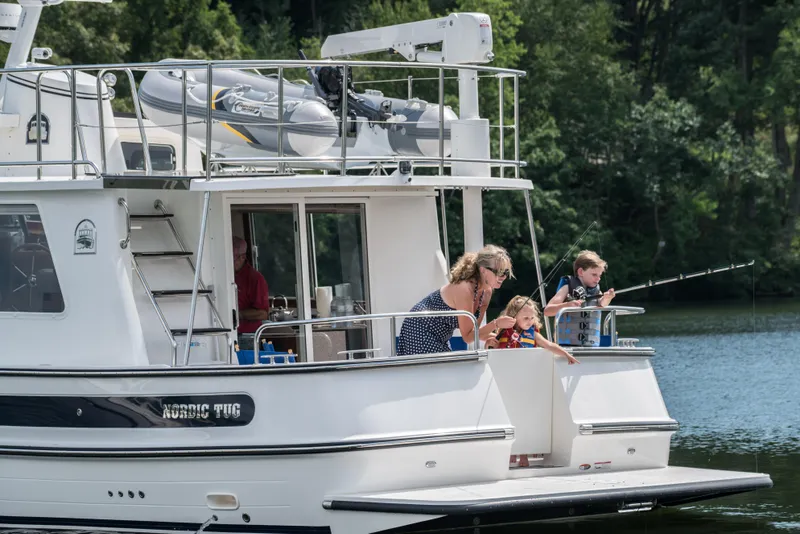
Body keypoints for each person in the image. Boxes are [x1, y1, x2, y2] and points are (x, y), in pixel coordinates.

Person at [396, 245, 517, 356]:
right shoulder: (464, 289)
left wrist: (491, 337)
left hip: (440, 335)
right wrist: (496, 324)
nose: (503, 276)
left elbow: (474, 332)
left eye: (506, 272)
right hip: (419, 327)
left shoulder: (487, 292)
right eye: (499, 271)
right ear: (483, 270)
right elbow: (468, 337)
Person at [543, 250, 615, 346]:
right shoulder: (567, 286)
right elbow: (547, 311)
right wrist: (567, 305)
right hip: (567, 347)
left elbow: (602, 304)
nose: (598, 279)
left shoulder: (597, 290)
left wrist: (608, 298)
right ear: (581, 272)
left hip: (591, 347)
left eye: (600, 275)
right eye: (594, 274)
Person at [488, 295, 579, 364]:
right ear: (513, 316)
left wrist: (566, 354)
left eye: (532, 318)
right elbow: (493, 353)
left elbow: (549, 345)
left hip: (527, 368)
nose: (530, 321)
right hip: (506, 367)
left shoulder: (534, 334)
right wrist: (487, 344)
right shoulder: (503, 332)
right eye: (526, 318)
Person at [233, 236, 270, 334]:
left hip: (247, 335)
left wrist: (237, 315)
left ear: (243, 257)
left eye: (233, 258)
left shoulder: (256, 279)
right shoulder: (222, 275)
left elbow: (263, 314)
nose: (228, 262)